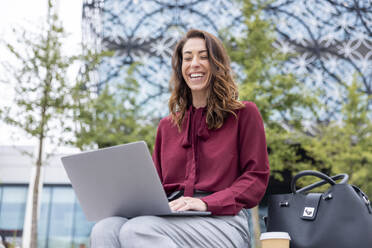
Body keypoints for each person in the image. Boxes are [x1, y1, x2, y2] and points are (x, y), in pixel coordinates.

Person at [90, 29, 270, 248]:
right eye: (188, 58)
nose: (194, 63)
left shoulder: (244, 114)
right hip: (172, 216)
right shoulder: (167, 126)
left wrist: (204, 202)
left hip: (223, 221)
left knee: (138, 230)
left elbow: (256, 179)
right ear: (180, 68)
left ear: (217, 64)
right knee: (105, 228)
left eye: (203, 56)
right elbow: (155, 187)